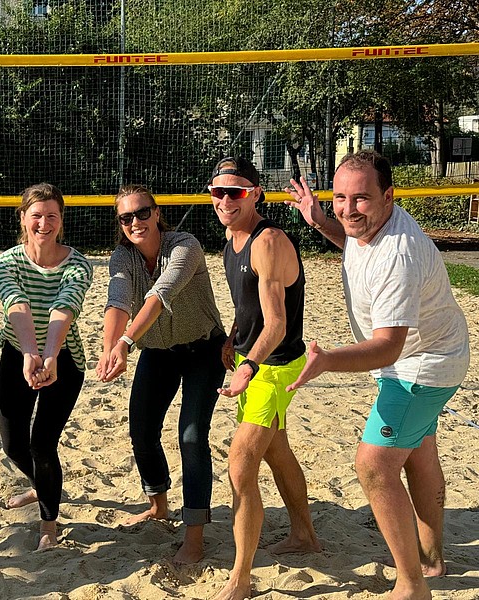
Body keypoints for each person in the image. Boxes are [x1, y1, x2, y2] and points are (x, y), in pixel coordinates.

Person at [285, 149, 469, 600]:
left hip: (422, 365)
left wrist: (327, 359)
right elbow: (352, 239)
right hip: (427, 356)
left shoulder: (399, 255)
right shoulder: (372, 227)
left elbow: (388, 345)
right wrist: (320, 220)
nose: (348, 209)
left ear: (389, 196)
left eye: (361, 199)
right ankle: (431, 562)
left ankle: (411, 585)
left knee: (374, 464)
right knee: (419, 454)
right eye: (340, 197)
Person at [96, 184, 228, 564]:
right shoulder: (122, 257)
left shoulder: (185, 245)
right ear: (120, 224)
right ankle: (158, 505)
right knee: (141, 429)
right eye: (126, 217)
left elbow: (158, 296)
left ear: (156, 213)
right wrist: (110, 349)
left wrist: (125, 342)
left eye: (141, 213)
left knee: (190, 436)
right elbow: (117, 301)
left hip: (204, 348)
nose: (135, 222)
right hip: (158, 351)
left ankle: (195, 535)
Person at [209, 157, 321, 600]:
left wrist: (247, 366)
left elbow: (275, 324)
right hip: (257, 362)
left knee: (240, 465)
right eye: (217, 192)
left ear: (256, 193)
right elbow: (250, 308)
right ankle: (305, 536)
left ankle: (240, 579)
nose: (223, 200)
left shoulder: (268, 241)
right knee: (276, 451)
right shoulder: (231, 237)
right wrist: (234, 338)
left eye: (234, 192)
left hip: (274, 368)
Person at [0, 183, 92, 550]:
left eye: (52, 216)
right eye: (36, 215)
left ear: (61, 220)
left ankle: (49, 525)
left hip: (64, 357)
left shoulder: (78, 263)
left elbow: (64, 307)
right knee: (13, 444)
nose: (44, 223)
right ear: (23, 218)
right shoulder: (4, 262)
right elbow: (16, 304)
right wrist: (30, 354)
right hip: (19, 350)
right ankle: (42, 485)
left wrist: (48, 356)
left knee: (43, 445)